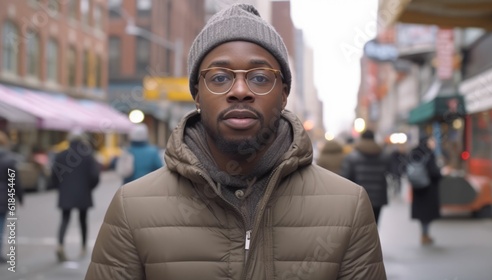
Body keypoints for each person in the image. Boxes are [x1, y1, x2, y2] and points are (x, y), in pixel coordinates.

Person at [85, 4, 386, 279]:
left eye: (259, 77)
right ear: (197, 95)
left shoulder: (349, 207)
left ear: (283, 94)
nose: (240, 90)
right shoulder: (131, 208)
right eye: (219, 78)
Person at [51, 129, 101, 262]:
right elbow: (95, 176)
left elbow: (54, 175)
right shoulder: (88, 156)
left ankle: (60, 245)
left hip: (65, 192)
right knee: (83, 221)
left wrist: (60, 187)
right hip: (83, 193)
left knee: (64, 219)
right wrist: (89, 188)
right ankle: (83, 247)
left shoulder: (61, 155)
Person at [341, 129, 391, 225]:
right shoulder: (384, 156)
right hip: (378, 196)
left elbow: (346, 178)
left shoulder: (351, 157)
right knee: (375, 225)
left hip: (359, 197)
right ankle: (374, 240)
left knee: (361, 227)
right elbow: (389, 172)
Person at [408, 135, 442, 245]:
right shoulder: (429, 154)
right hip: (428, 188)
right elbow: (434, 172)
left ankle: (424, 234)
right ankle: (425, 235)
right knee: (427, 214)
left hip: (417, 187)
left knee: (422, 213)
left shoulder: (414, 153)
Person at [0, 131, 24, 263]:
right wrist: (20, 197)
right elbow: (15, 181)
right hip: (3, 198)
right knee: (0, 225)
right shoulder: (9, 159)